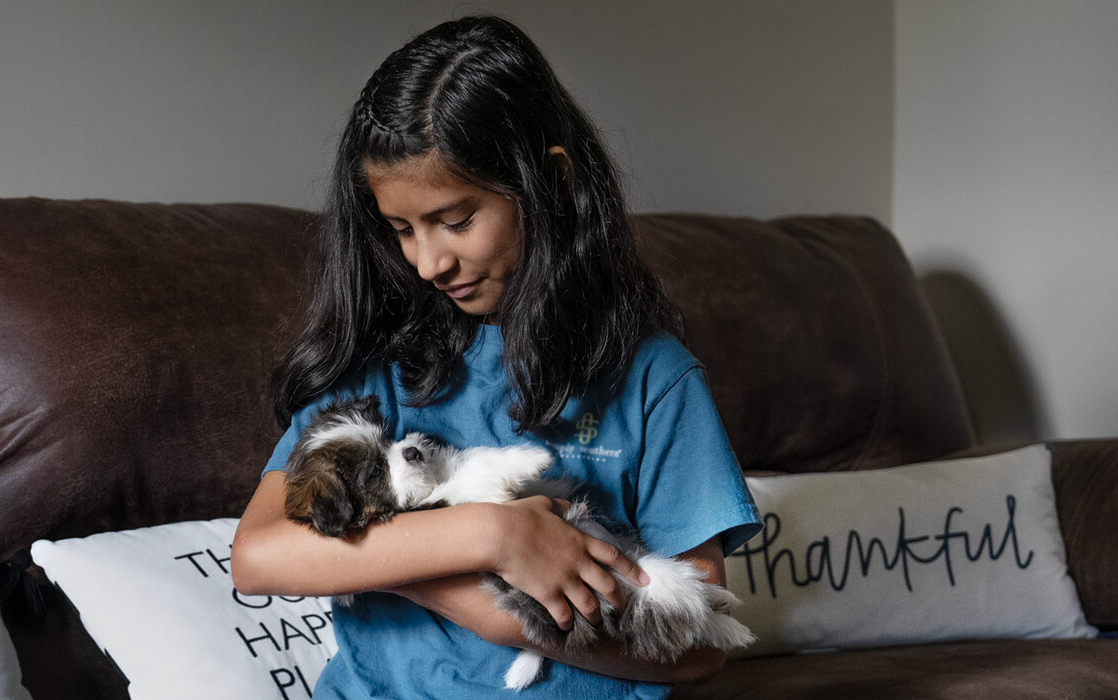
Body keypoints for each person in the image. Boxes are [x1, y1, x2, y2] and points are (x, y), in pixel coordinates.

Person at [231, 15, 761, 698]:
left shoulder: (656, 379)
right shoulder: (378, 364)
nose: (428, 262)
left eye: (456, 221)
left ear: (553, 182)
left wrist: (430, 577)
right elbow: (259, 554)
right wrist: (490, 536)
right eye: (401, 230)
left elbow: (694, 650)